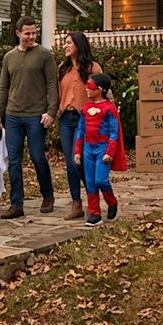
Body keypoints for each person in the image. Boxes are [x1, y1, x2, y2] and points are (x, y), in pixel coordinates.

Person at [0, 16, 58, 219]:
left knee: (38, 157)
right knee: (14, 160)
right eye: (27, 33)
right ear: (18, 33)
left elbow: (52, 85)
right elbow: (3, 87)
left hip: (36, 116)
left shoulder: (44, 55)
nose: (31, 37)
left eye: (33, 33)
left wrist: (51, 112)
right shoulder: (9, 57)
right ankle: (16, 203)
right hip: (13, 116)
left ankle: (47, 196)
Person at [56, 32, 102, 220]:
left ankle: (93, 197)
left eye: (69, 43)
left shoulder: (93, 68)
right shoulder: (62, 69)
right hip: (66, 119)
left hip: (86, 119)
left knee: (80, 162)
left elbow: (103, 94)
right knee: (69, 164)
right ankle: (76, 203)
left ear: (78, 46)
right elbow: (57, 93)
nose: (65, 46)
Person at [74, 73, 128, 227]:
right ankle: (94, 213)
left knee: (100, 180)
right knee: (90, 182)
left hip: (102, 149)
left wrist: (109, 152)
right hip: (88, 149)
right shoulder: (86, 107)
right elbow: (81, 130)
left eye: (90, 87)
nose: (87, 90)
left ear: (100, 89)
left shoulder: (109, 109)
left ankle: (111, 201)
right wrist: (77, 151)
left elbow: (114, 132)